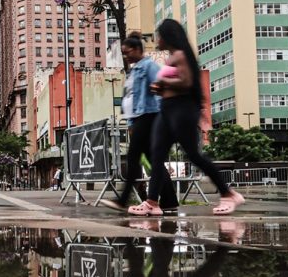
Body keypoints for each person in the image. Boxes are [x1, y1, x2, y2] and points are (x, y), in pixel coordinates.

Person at [128, 19, 244, 216]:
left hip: (181, 109)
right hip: (167, 109)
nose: (157, 39)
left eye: (159, 35)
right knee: (157, 155)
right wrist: (160, 88)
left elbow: (187, 82)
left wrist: (163, 82)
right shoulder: (172, 57)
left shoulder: (181, 55)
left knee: (193, 155)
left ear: (167, 36)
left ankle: (228, 194)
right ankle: (152, 202)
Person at [101, 33, 178, 213]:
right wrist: (130, 123)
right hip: (139, 119)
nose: (125, 56)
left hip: (149, 117)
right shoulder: (134, 70)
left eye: (127, 52)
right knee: (153, 161)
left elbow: (161, 89)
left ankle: (123, 200)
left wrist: (161, 118)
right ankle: (170, 201)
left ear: (137, 50)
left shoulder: (149, 66)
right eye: (123, 53)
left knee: (133, 158)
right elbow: (131, 99)